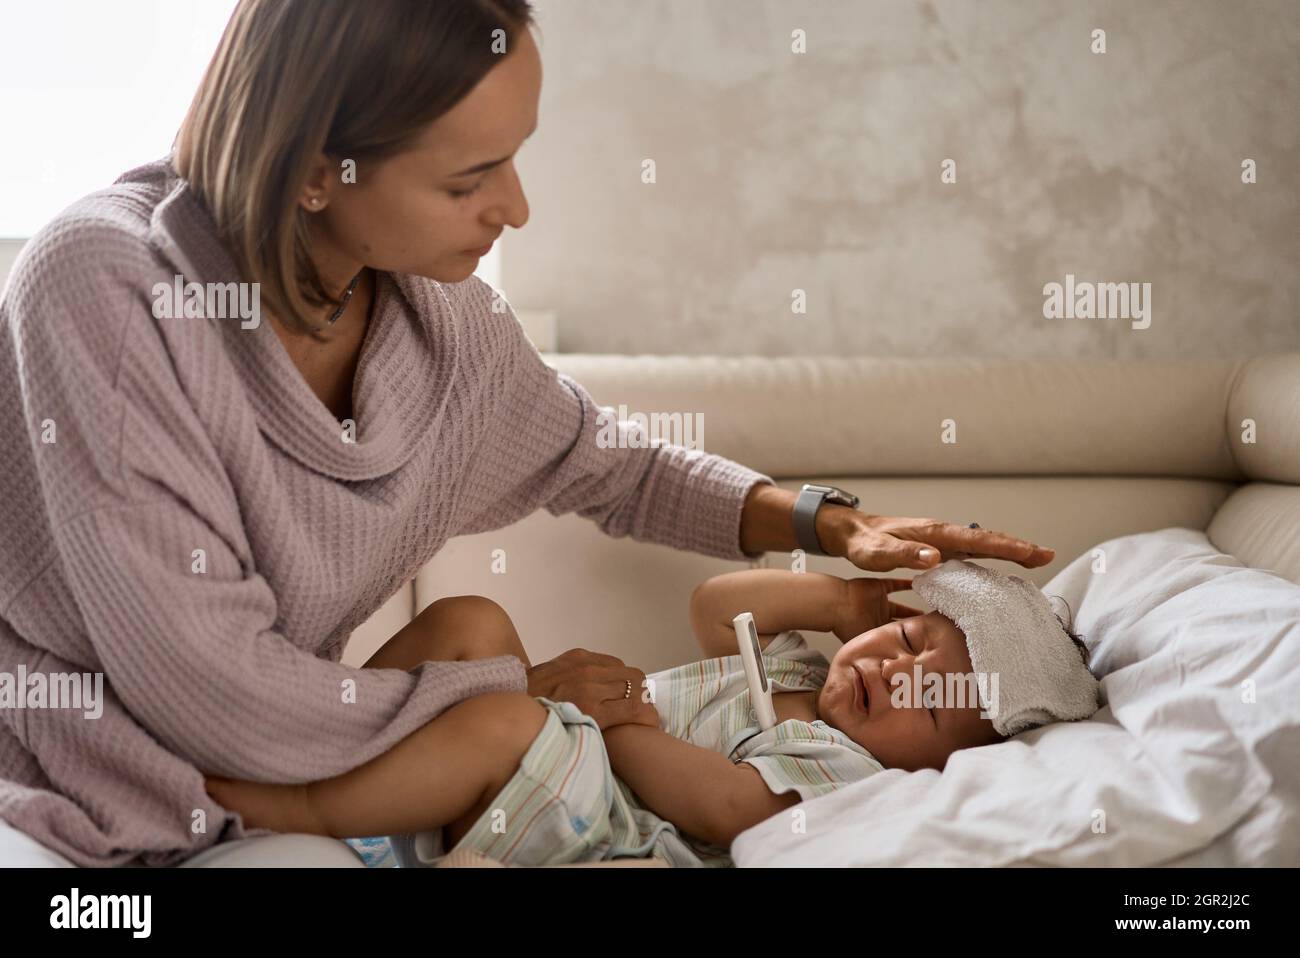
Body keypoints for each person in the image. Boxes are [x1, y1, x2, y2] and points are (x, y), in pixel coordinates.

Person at [0, 0, 1052, 867]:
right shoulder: (106, 288)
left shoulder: (441, 327)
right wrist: (513, 693)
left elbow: (617, 467)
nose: (516, 208)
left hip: (278, 771)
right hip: (65, 778)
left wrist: (835, 526)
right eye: (468, 179)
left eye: (514, 159)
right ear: (318, 170)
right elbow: (207, 684)